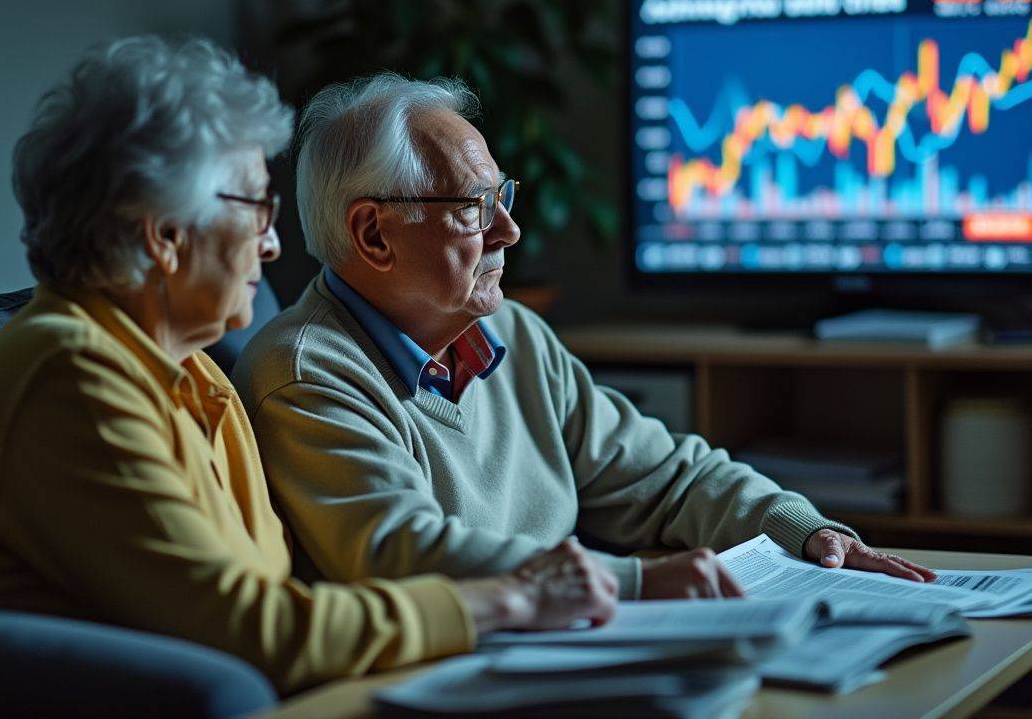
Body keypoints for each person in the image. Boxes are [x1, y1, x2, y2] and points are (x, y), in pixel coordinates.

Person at [0, 38, 617, 696]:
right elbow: (258, 632)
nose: (276, 245)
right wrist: (516, 596)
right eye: (256, 207)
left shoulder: (192, 370)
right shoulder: (70, 377)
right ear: (164, 237)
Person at [231, 74, 937, 601]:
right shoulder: (306, 376)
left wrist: (803, 530)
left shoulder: (512, 334)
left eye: (501, 197)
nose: (509, 230)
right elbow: (405, 556)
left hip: (559, 646)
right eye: (474, 209)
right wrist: (635, 583)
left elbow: (666, 478)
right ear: (373, 234)